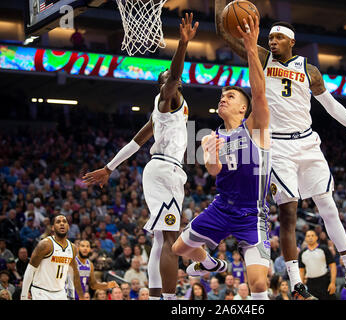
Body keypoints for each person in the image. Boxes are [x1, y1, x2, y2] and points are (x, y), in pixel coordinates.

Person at [215, 0, 346, 298]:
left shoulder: (310, 70)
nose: (272, 41)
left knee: (328, 205)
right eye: (270, 38)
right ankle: (296, 282)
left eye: (278, 38)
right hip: (278, 146)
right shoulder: (262, 58)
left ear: (291, 41)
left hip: (308, 142)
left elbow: (332, 106)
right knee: (288, 212)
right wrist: (221, 6)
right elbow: (224, 33)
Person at [82, 13, 199, 301]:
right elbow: (172, 77)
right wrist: (182, 45)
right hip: (165, 170)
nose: (171, 83)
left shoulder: (165, 116)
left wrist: (109, 167)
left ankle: (158, 295)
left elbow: (136, 142)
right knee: (171, 238)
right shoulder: (167, 99)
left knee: (161, 237)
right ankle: (170, 299)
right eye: (167, 82)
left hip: (163, 170)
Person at [172, 15, 271, 300]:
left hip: (252, 213)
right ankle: (210, 263)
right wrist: (210, 155)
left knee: (259, 285)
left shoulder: (255, 128)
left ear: (244, 109)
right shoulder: (212, 135)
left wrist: (251, 49)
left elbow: (260, 95)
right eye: (222, 96)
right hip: (221, 207)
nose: (223, 98)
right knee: (179, 249)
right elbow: (214, 171)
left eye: (231, 96)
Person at [20, 214, 84, 300]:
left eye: (64, 222)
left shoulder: (72, 248)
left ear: (68, 226)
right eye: (58, 222)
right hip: (41, 292)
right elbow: (30, 270)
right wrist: (23, 296)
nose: (62, 224)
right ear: (53, 228)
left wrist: (72, 294)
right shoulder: (45, 244)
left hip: (60, 292)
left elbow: (72, 273)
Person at [298, 229, 337, 300]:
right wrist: (302, 287)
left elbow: (333, 266)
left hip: (325, 281)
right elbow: (301, 271)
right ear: (305, 238)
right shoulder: (302, 253)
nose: (310, 238)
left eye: (312, 235)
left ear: (316, 237)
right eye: (308, 236)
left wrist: (333, 282)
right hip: (310, 283)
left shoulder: (324, 249)